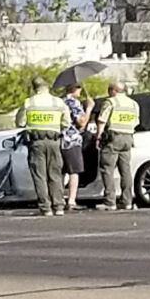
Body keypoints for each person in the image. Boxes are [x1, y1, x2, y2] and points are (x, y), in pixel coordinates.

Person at [15, 76, 71, 216]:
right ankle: (58, 206)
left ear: (34, 88)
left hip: (36, 142)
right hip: (54, 141)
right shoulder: (58, 102)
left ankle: (45, 208)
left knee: (39, 175)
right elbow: (66, 123)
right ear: (48, 87)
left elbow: (20, 123)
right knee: (55, 174)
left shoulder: (29, 102)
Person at [95, 81, 140, 211]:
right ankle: (127, 201)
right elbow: (136, 122)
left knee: (107, 169)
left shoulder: (111, 102)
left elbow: (102, 120)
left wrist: (99, 136)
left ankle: (110, 202)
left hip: (113, 138)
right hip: (128, 138)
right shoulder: (133, 104)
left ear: (113, 90)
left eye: (109, 90)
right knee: (125, 171)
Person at [61, 83, 93, 211]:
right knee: (74, 171)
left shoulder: (60, 101)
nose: (80, 90)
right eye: (79, 87)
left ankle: (59, 198)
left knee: (61, 171)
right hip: (72, 140)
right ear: (74, 88)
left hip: (60, 139)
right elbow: (82, 122)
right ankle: (71, 200)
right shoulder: (73, 102)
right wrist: (89, 108)